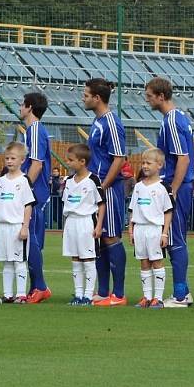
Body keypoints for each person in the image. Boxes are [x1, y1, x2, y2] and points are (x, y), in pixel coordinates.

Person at [146, 77, 194, 307]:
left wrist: (172, 190)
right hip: (179, 185)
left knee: (174, 237)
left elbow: (183, 159)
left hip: (178, 186)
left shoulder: (172, 121)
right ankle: (183, 290)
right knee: (177, 237)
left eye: (149, 96)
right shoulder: (176, 118)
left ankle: (179, 295)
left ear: (161, 96)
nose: (147, 100)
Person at [83, 77, 128, 307]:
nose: (83, 98)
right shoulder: (98, 121)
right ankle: (102, 290)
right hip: (96, 187)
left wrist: (103, 186)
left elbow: (119, 158)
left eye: (86, 94)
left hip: (107, 188)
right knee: (99, 238)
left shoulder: (111, 122)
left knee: (111, 236)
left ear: (97, 98)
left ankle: (118, 294)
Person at [0, 142, 37, 304]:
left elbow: (28, 205)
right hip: (2, 226)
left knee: (19, 261)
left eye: (13, 158)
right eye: (7, 158)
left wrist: (25, 227)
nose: (9, 161)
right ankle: (7, 294)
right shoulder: (1, 181)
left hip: (17, 227)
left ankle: (21, 294)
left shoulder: (24, 180)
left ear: (22, 160)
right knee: (6, 261)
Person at [128, 148, 174, 309]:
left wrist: (165, 233)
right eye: (143, 163)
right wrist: (131, 228)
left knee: (156, 262)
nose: (145, 166)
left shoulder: (163, 187)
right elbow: (133, 209)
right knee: (144, 262)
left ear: (159, 165)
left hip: (155, 229)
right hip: (140, 228)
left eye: (149, 163)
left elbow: (168, 211)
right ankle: (146, 297)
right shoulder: (139, 186)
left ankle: (158, 298)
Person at [19, 92, 53, 303]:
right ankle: (36, 286)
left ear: (30, 107)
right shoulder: (33, 131)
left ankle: (40, 286)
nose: (20, 108)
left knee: (30, 237)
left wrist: (25, 188)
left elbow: (37, 164)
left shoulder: (35, 130)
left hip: (34, 193)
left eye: (22, 104)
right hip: (36, 192)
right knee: (30, 238)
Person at [62, 144, 106, 306]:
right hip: (71, 223)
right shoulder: (68, 181)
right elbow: (66, 205)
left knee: (88, 259)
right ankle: (78, 294)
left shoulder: (93, 180)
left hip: (86, 222)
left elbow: (101, 203)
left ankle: (88, 295)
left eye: (71, 160)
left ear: (82, 162)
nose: (68, 162)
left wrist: (99, 225)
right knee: (75, 259)